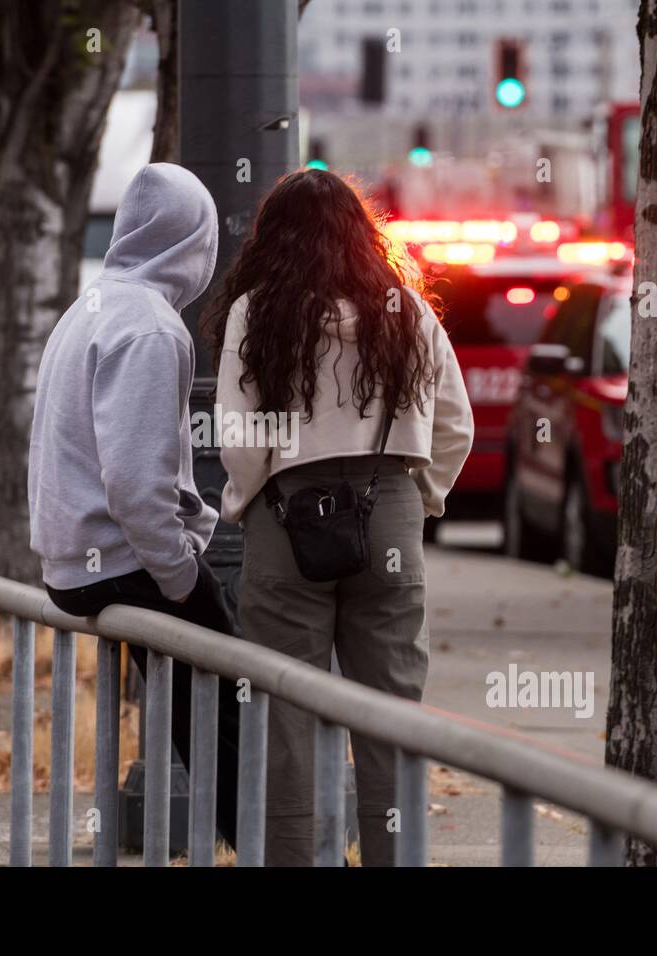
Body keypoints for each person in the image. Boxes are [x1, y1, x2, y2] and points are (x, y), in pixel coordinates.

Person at [204, 169, 474, 866]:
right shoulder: (407, 309)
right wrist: (418, 500)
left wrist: (253, 501)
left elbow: (240, 440)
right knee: (391, 716)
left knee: (285, 719)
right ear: (363, 233)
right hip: (388, 514)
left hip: (288, 518)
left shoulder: (257, 313)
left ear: (272, 237)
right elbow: (456, 427)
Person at [27, 162, 241, 849]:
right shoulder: (152, 328)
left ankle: (252, 839)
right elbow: (134, 482)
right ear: (193, 243)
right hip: (124, 566)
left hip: (69, 565)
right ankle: (269, 844)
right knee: (235, 707)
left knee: (200, 715)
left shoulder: (90, 306)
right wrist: (181, 576)